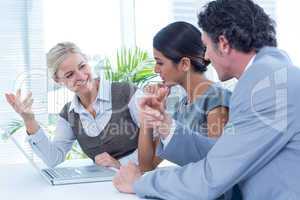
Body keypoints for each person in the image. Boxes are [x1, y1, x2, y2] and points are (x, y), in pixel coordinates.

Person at [112, 0, 300, 199]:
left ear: (224, 44)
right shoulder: (272, 74)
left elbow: (212, 177)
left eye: (206, 46)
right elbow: (225, 153)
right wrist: (165, 124)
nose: (206, 56)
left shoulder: (264, 83)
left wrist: (141, 182)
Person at [5, 42, 141, 169]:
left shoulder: (127, 93)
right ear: (57, 80)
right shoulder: (69, 114)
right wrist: (29, 120)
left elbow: (158, 143)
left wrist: (120, 164)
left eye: (82, 66)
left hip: (140, 179)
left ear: (87, 61)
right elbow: (53, 158)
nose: (81, 76)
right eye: (70, 75)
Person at [138, 22, 231, 174]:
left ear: (185, 64)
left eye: (160, 62)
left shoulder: (216, 101)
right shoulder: (183, 106)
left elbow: (217, 169)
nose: (156, 69)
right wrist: (148, 114)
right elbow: (147, 165)